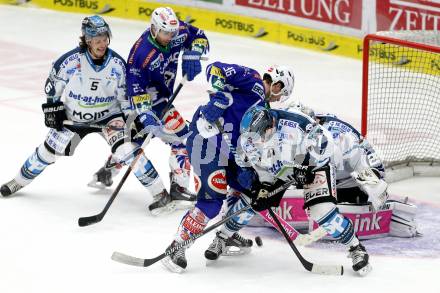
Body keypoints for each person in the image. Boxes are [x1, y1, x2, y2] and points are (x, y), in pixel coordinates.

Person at [0, 16, 156, 200]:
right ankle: (18, 180)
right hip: (74, 117)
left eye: (105, 39)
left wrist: (132, 119)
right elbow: (52, 87)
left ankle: (159, 194)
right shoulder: (70, 61)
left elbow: (124, 96)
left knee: (128, 151)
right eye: (97, 40)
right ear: (88, 40)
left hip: (109, 117)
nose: (102, 44)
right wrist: (53, 109)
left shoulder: (117, 64)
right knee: (48, 153)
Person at [160, 62, 294, 273]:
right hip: (206, 140)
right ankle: (177, 246)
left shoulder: (264, 110)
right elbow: (215, 68)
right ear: (276, 85)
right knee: (212, 200)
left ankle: (228, 234)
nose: (278, 98)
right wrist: (218, 96)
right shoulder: (254, 80)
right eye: (280, 93)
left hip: (227, 152)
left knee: (253, 190)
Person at [218, 105, 373, 276]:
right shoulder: (248, 141)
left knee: (322, 212)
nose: (258, 141)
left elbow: (325, 143)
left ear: (271, 123)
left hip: (315, 166)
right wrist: (264, 187)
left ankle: (356, 248)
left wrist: (306, 164)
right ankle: (222, 237)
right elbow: (263, 169)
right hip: (281, 170)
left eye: (262, 134)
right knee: (252, 200)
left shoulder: (295, 122)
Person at [88, 7, 210, 215]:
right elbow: (135, 88)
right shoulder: (141, 54)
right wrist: (145, 115)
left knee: (137, 141)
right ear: (154, 29)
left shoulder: (175, 30)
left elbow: (198, 36)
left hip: (162, 97)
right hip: (143, 103)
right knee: (182, 138)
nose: (170, 37)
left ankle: (106, 172)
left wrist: (194, 53)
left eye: (172, 33)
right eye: (165, 33)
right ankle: (179, 188)